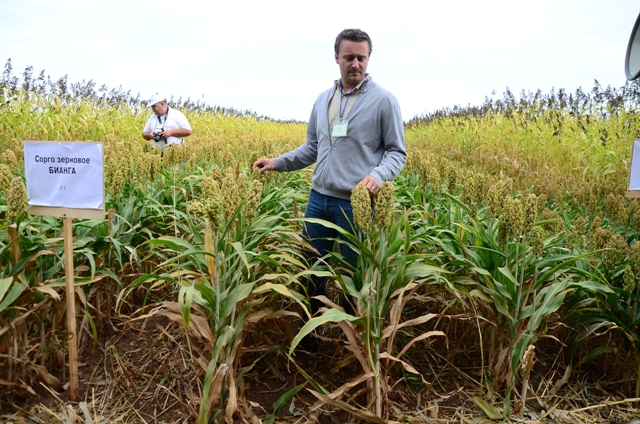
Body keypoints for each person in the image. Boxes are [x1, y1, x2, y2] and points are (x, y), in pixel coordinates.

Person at [253, 29, 407, 318]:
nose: (356, 64)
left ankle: (350, 334)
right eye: (349, 57)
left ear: (368, 59)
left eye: (362, 58)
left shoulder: (385, 101)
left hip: (354, 203)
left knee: (353, 274)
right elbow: (313, 147)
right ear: (336, 57)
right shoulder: (324, 99)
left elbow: (398, 152)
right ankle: (312, 328)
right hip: (318, 199)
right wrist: (277, 162)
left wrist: (378, 175)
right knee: (311, 265)